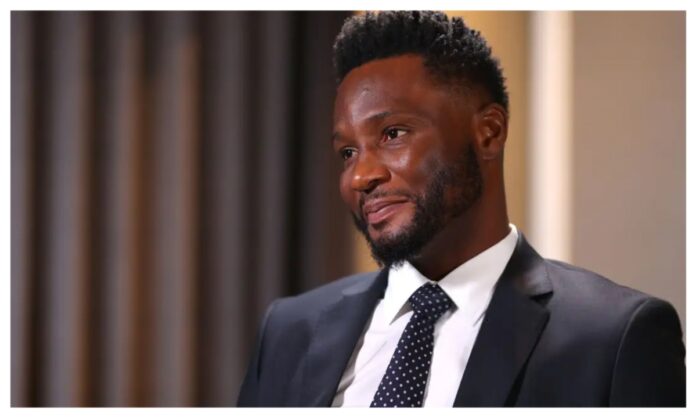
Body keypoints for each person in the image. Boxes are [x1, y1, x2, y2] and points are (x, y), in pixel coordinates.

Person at [237, 11, 685, 407]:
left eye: (392, 134)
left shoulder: (614, 338)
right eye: (348, 153)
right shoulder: (288, 332)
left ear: (488, 133)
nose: (360, 177)